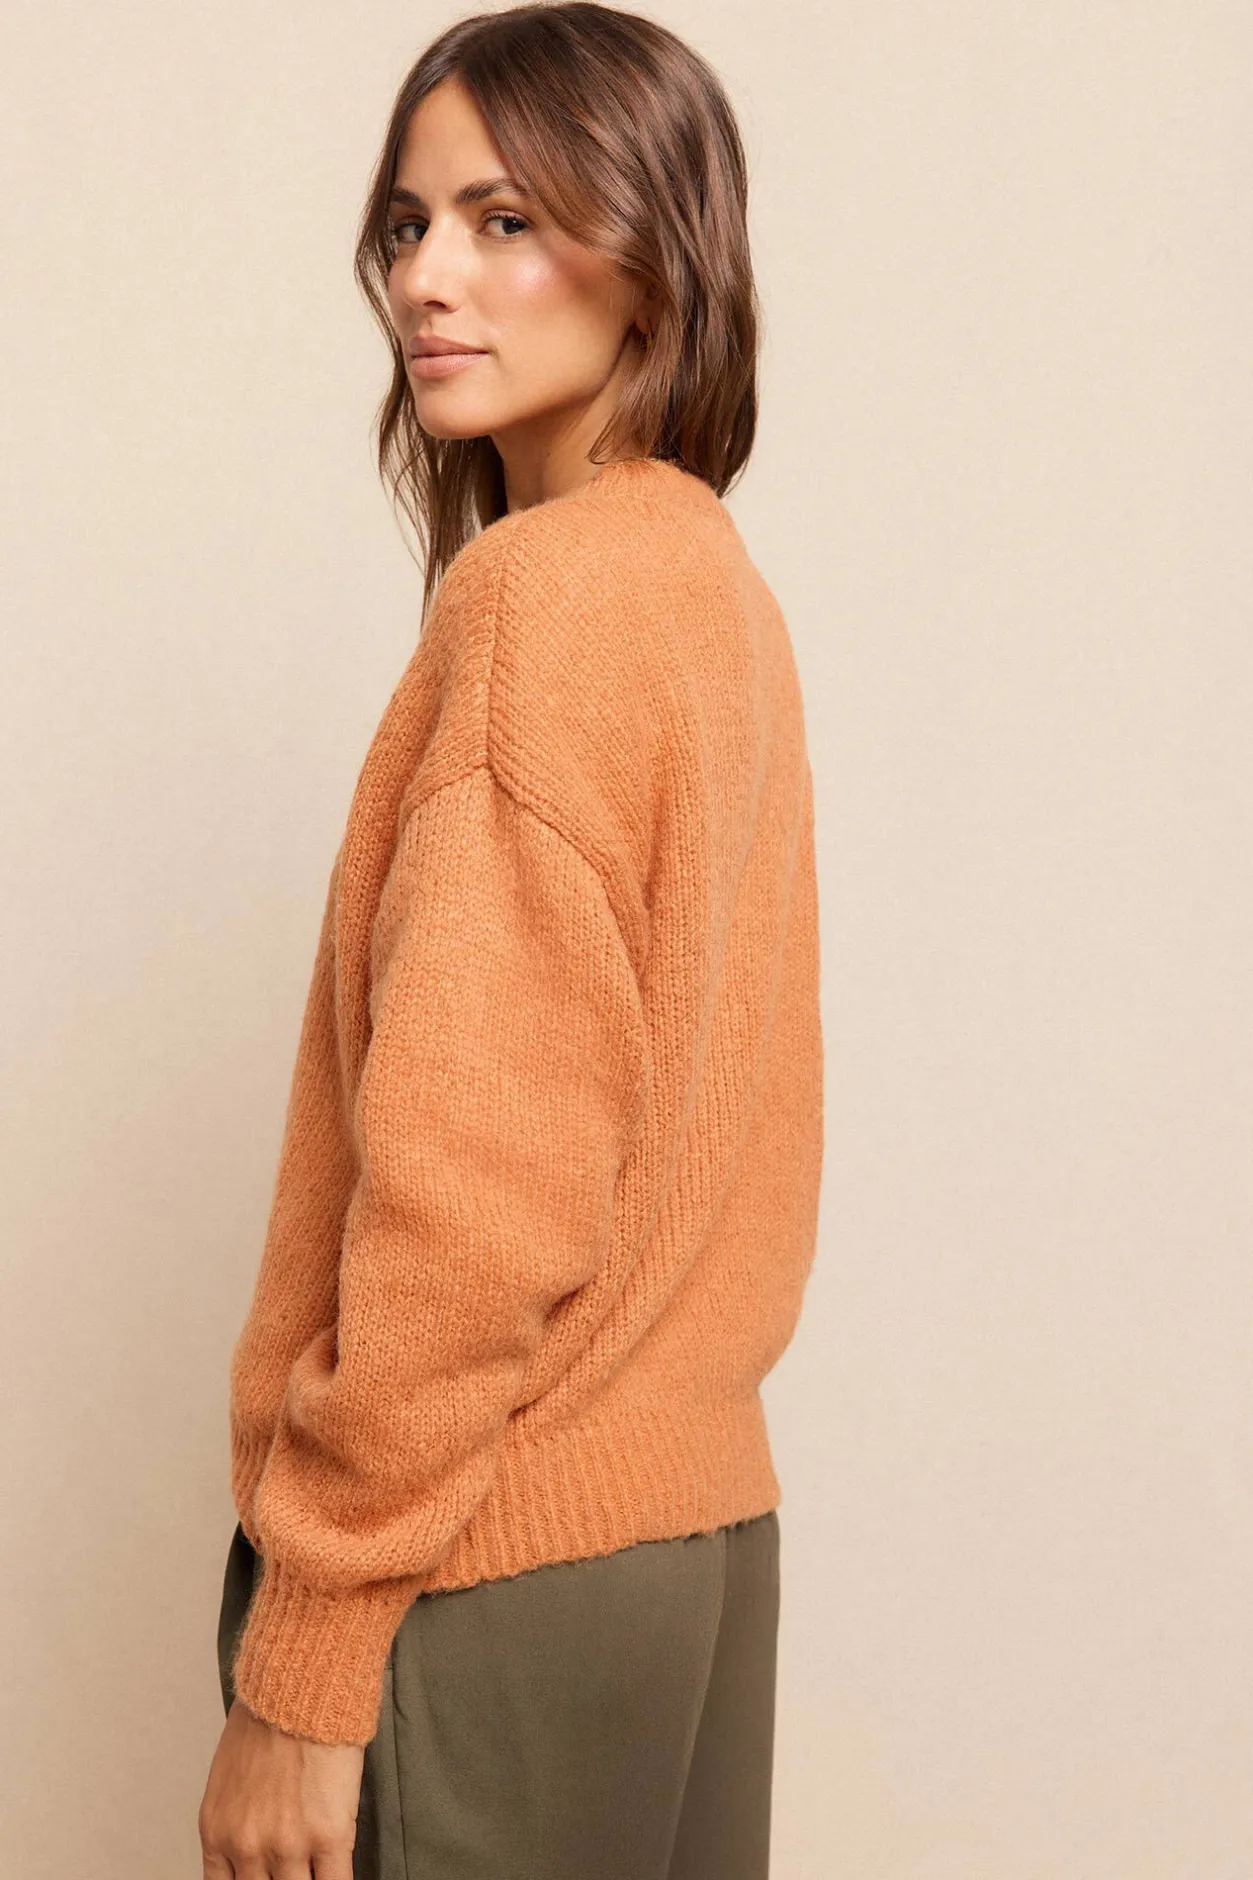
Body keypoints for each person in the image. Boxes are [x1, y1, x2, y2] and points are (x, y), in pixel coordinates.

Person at [198, 5, 824, 1877]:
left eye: (505, 221)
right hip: (689, 1555)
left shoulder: (541, 604)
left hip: (491, 1579)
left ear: (651, 252)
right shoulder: (709, 585)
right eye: (409, 225)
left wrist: (304, 1662)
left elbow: (476, 1203)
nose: (427, 279)